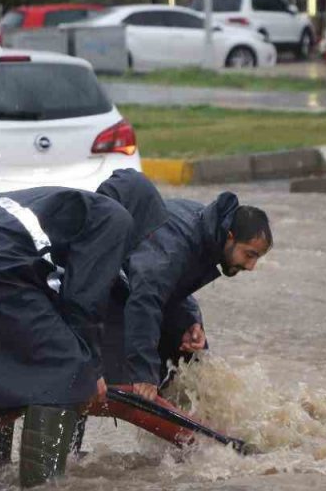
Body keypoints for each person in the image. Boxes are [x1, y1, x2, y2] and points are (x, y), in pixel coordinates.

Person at [0, 187, 133, 487]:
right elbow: (84, 301)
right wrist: (91, 370)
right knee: (68, 374)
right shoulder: (116, 219)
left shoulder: (63, 209)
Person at [96, 170, 272, 403]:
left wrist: (191, 320)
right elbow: (145, 299)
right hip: (116, 294)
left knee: (194, 353)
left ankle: (206, 421)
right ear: (230, 237)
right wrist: (143, 375)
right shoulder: (178, 244)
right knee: (112, 377)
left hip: (132, 284)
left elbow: (170, 282)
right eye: (249, 255)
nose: (251, 266)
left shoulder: (206, 226)